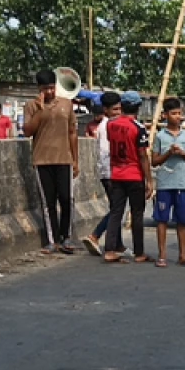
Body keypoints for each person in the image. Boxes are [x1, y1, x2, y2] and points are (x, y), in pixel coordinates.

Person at [23, 70, 79, 254]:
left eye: (52, 88)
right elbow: (28, 131)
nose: (49, 92)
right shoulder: (31, 106)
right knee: (48, 203)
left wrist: (75, 159)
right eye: (45, 89)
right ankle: (52, 240)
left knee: (66, 198)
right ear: (39, 89)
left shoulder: (66, 104)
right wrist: (40, 111)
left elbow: (72, 132)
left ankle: (67, 236)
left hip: (64, 158)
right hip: (42, 159)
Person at [103, 91, 152, 264]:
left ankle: (109, 249)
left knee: (116, 212)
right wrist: (150, 180)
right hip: (134, 174)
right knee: (137, 213)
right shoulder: (138, 128)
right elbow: (142, 155)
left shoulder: (111, 125)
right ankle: (139, 252)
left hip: (116, 173)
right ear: (138, 108)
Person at [151, 98, 185, 268]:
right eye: (173, 113)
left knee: (182, 221)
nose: (177, 117)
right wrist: (169, 153)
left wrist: (183, 154)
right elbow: (154, 161)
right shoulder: (160, 136)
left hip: (181, 183)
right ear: (165, 115)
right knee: (162, 220)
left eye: (179, 113)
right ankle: (162, 255)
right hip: (164, 182)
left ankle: (183, 255)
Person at [82, 93, 117, 256]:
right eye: (114, 109)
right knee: (117, 209)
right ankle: (95, 235)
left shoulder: (109, 124)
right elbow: (105, 152)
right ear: (106, 110)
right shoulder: (106, 126)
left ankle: (118, 244)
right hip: (110, 172)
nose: (118, 112)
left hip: (109, 171)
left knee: (116, 208)